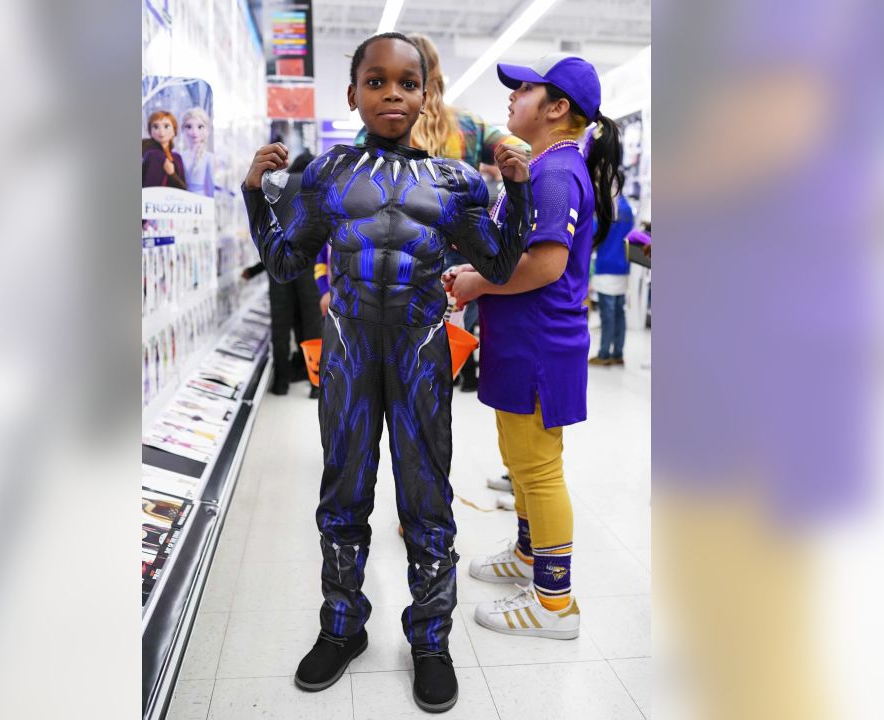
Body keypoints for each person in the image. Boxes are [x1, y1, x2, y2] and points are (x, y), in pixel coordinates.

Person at [241, 32, 532, 712]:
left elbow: (494, 264)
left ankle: (430, 639)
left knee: (426, 499)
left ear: (427, 93)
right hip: (346, 353)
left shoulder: (456, 182)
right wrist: (256, 194)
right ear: (354, 94)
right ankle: (342, 627)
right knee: (343, 492)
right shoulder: (325, 174)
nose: (393, 93)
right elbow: (287, 265)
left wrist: (514, 196)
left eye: (408, 82)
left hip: (421, 354)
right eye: (377, 81)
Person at [446, 53, 623, 640]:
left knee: (539, 468)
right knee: (520, 460)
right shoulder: (543, 166)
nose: (511, 98)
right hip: (520, 339)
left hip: (539, 343)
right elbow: (517, 252)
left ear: (557, 108)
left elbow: (544, 265)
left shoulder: (554, 173)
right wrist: (480, 267)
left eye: (523, 90)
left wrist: (478, 281)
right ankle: (528, 555)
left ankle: (554, 602)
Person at [356, 33, 528, 393]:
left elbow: (356, 203)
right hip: (456, 269)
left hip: (391, 271)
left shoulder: (383, 123)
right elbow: (524, 152)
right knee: (430, 386)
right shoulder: (470, 126)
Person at [241, 150, 325, 397]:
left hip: (278, 264)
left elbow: (266, 232)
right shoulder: (318, 188)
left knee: (281, 324)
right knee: (312, 325)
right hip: (309, 266)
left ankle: (281, 383)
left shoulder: (276, 186)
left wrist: (258, 269)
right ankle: (316, 385)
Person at [590, 194, 634, 366]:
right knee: (619, 313)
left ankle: (603, 354)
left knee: (607, 314)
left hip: (606, 265)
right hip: (623, 266)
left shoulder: (606, 208)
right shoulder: (628, 208)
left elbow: (593, 231)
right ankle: (618, 353)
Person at [142, 110, 188, 189]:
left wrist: (172, 174)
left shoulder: (177, 157)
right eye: (156, 127)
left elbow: (183, 188)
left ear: (174, 131)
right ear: (151, 132)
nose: (161, 131)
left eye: (166, 126)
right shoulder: (152, 155)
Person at [181, 107, 216, 197]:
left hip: (201, 202)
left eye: (200, 127)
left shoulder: (209, 158)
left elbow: (211, 186)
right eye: (189, 127)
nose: (194, 132)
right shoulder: (180, 156)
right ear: (183, 130)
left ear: (207, 130)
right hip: (181, 201)